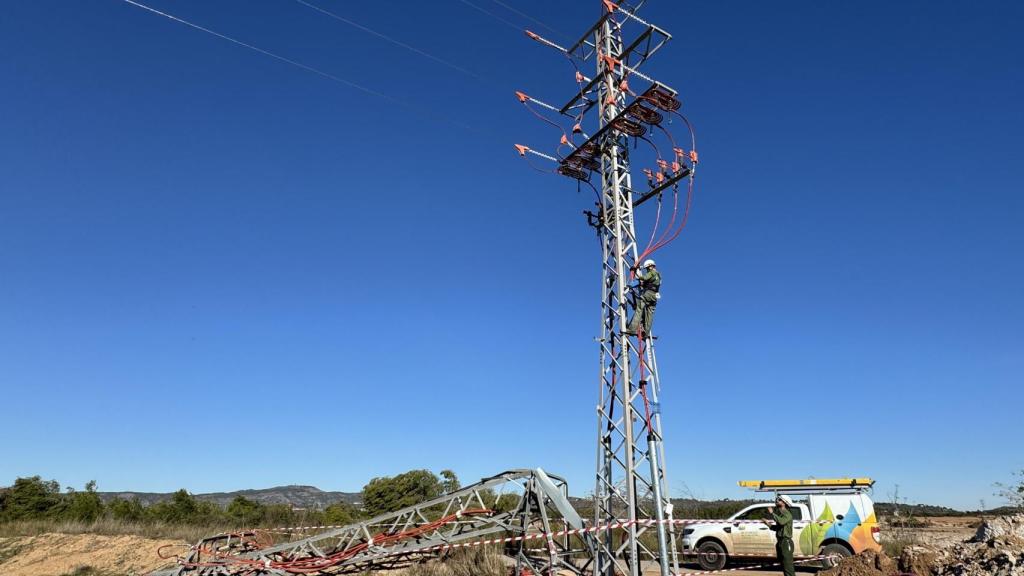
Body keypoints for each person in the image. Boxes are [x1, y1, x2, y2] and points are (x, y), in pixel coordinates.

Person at [624, 259, 660, 337]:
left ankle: (631, 329)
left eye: (647, 268)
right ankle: (646, 333)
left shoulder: (652, 272)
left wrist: (635, 271)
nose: (647, 270)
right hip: (654, 297)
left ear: (650, 267)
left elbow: (644, 278)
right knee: (649, 315)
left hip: (648, 294)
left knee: (639, 310)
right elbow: (646, 283)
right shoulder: (658, 275)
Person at [764, 494, 796, 576]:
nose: (777, 501)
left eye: (779, 500)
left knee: (788, 567)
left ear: (784, 503)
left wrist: (772, 513)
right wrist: (768, 524)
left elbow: (781, 522)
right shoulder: (781, 515)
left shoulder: (787, 514)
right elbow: (778, 528)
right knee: (784, 565)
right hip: (780, 542)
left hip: (786, 542)